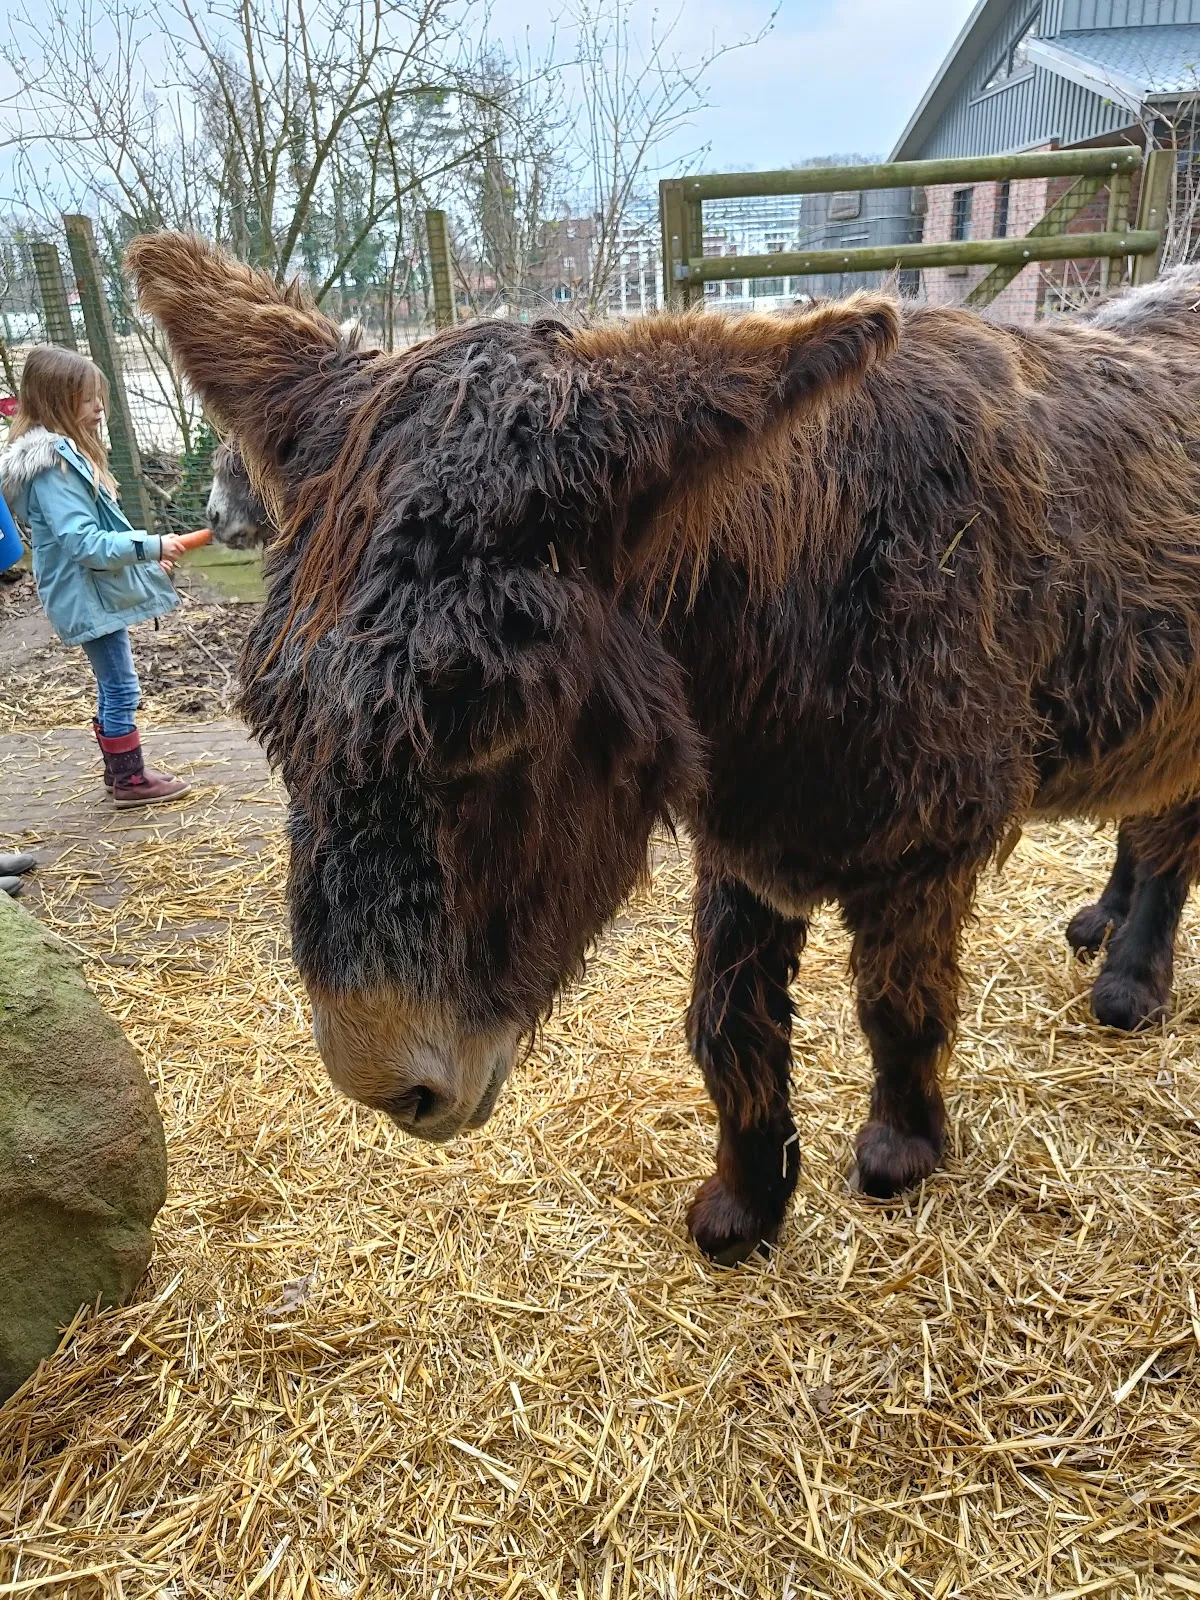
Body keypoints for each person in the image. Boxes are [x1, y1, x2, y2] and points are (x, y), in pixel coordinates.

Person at [0, 347, 192, 806]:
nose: (99, 408)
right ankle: (129, 779)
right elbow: (84, 544)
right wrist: (151, 545)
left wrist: (147, 562)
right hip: (85, 593)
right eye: (88, 400)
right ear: (57, 401)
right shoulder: (55, 467)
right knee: (121, 685)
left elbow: (96, 535)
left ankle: (121, 771)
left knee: (114, 683)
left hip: (89, 590)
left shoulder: (66, 458)